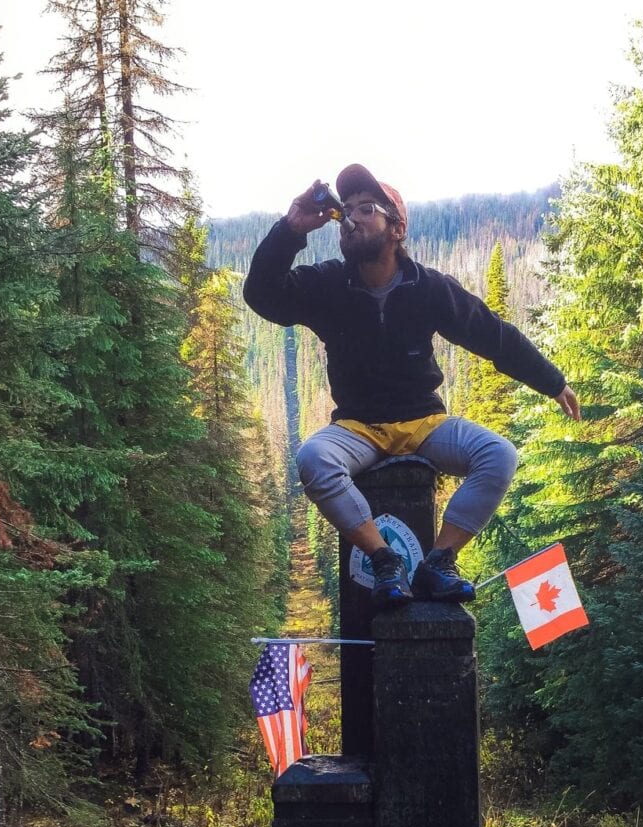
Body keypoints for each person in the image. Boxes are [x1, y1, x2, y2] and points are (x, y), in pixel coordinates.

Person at [243, 163, 580, 608]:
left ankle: (439, 561)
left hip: (424, 422)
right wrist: (291, 228)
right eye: (348, 211)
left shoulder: (428, 288)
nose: (352, 218)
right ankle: (385, 561)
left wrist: (551, 381)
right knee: (314, 459)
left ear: (396, 227)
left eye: (367, 209)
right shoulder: (327, 284)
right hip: (357, 428)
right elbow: (262, 295)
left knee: (498, 454)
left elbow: (491, 334)